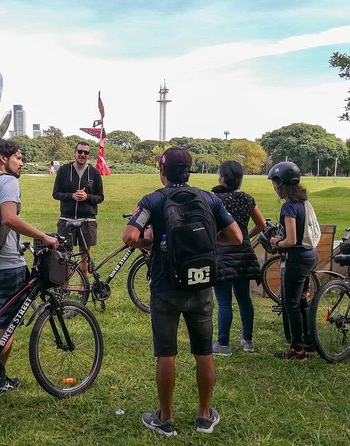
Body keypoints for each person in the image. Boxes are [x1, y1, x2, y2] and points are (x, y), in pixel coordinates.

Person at [123, 147, 242, 437]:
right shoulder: (210, 198)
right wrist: (204, 245)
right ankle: (204, 416)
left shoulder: (152, 199)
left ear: (162, 171)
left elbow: (129, 236)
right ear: (189, 170)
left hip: (165, 285)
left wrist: (147, 243)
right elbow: (236, 236)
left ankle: (165, 419)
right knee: (203, 352)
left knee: (166, 353)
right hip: (201, 284)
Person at [0, 138, 58, 393]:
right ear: (3, 158)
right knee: (7, 324)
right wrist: (43, 236)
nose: (21, 162)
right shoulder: (8, 181)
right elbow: (9, 218)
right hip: (7, 265)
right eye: (18, 157)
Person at [211, 161, 267, 356]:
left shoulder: (215, 199)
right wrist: (245, 237)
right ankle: (248, 341)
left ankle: (223, 344)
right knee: (244, 299)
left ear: (223, 178)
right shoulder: (247, 199)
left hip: (222, 254)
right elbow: (261, 224)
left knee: (224, 301)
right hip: (244, 255)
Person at [268, 161, 318, 361]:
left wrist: (276, 242)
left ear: (281, 183)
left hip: (296, 259)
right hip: (310, 255)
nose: (274, 188)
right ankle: (309, 345)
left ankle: (297, 350)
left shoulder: (289, 207)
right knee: (302, 301)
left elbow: (291, 240)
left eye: (274, 183)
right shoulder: (304, 202)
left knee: (291, 303)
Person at [52, 142, 104, 274]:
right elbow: (56, 193)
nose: (82, 155)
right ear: (75, 152)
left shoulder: (94, 173)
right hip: (66, 219)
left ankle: (83, 287)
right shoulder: (64, 170)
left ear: (88, 155)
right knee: (65, 254)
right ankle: (65, 287)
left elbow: (100, 197)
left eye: (86, 153)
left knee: (85, 254)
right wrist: (71, 196)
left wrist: (87, 197)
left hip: (87, 220)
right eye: (80, 151)